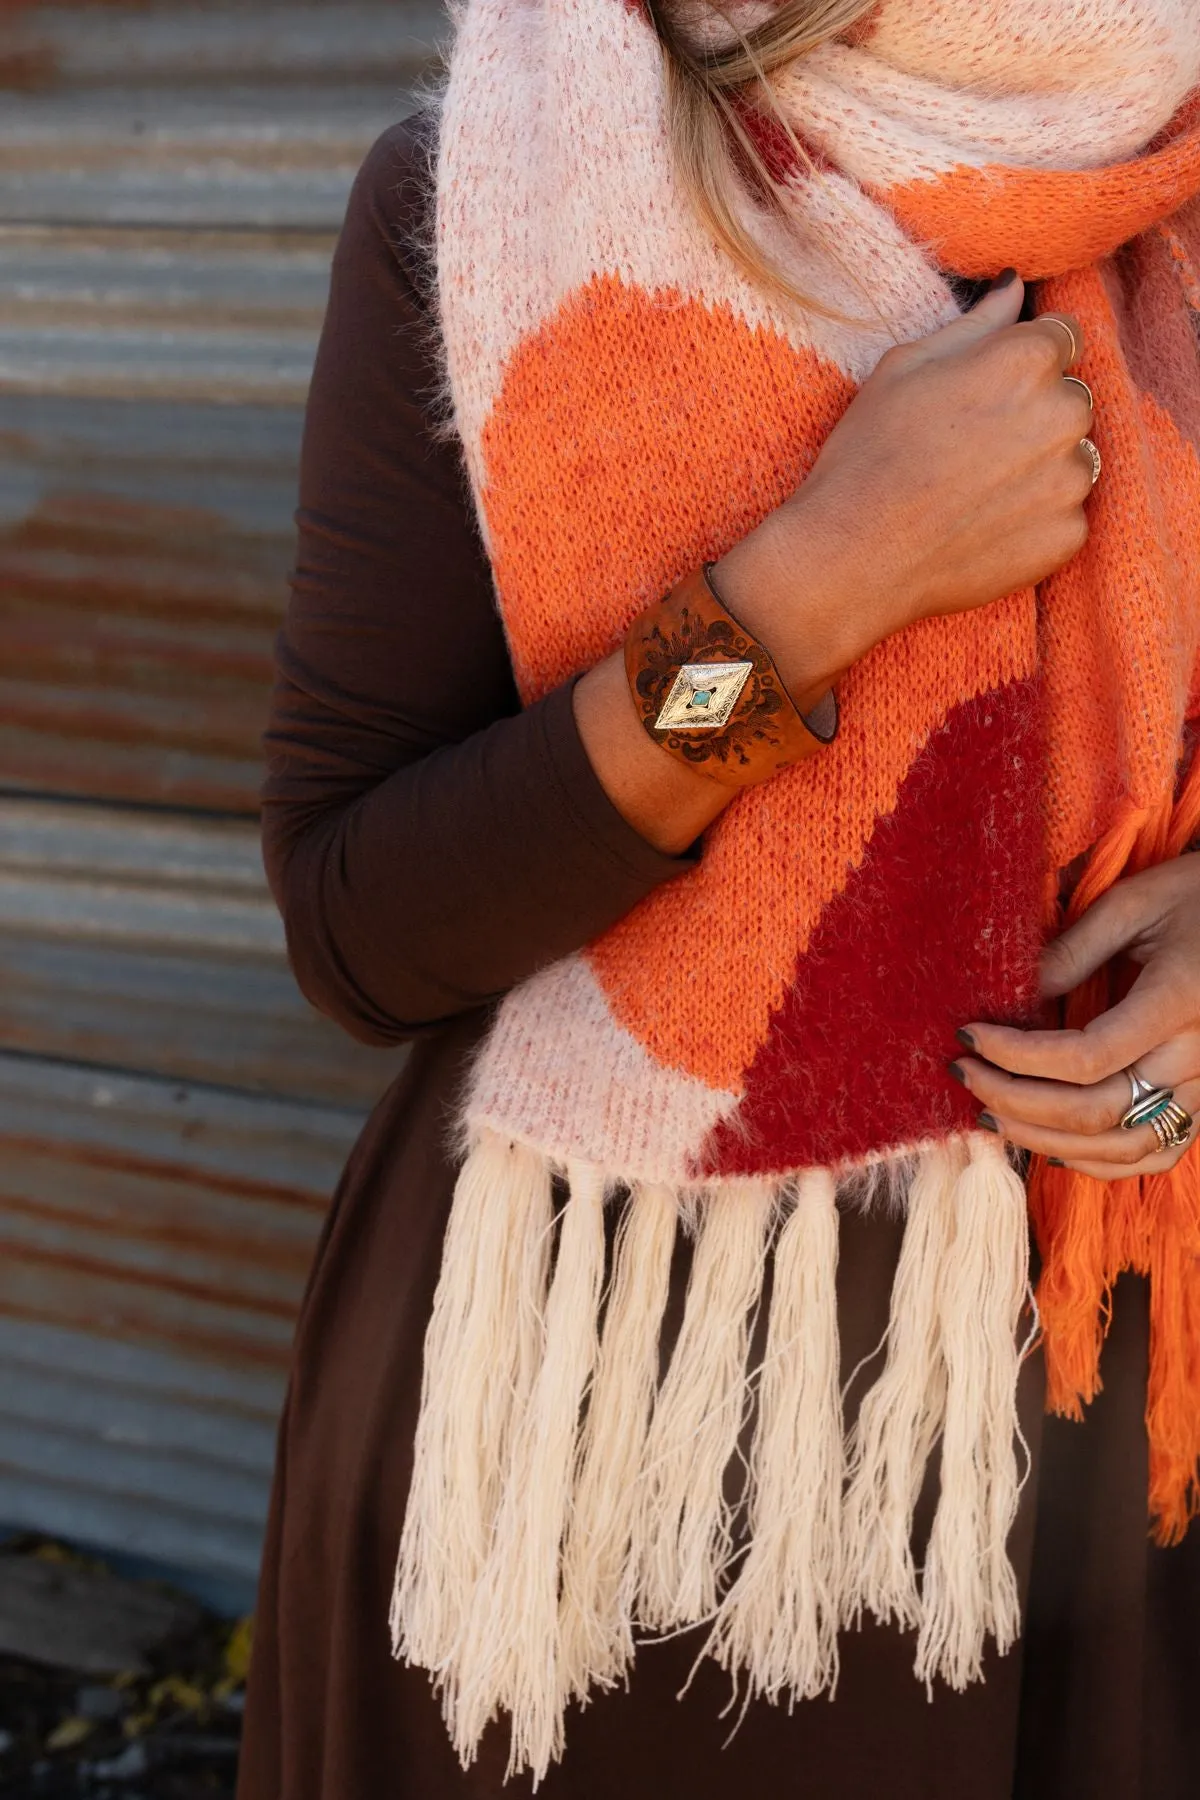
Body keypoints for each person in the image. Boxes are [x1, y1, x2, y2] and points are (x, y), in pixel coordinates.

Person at [238, 3, 1200, 1795]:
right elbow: (356, 916)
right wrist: (800, 603)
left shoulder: (1174, 197)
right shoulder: (494, 189)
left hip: (1084, 1410)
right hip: (614, 1437)